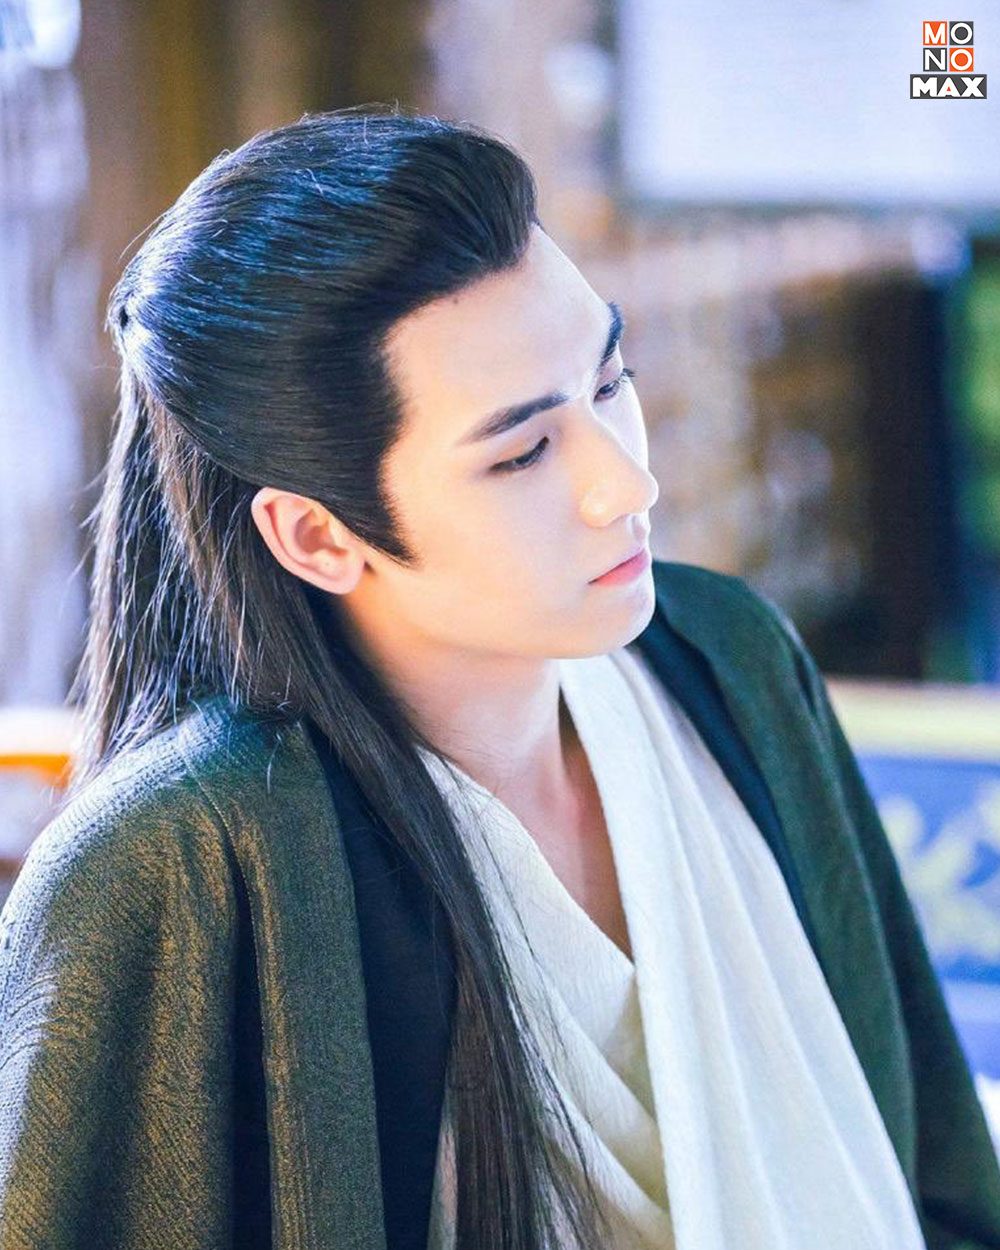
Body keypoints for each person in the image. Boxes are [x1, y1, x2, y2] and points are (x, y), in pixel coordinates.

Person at [0, 106, 998, 1250]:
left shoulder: (730, 660)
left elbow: (934, 1164)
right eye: (521, 452)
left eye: (609, 382)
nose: (623, 484)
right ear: (318, 535)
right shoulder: (179, 856)